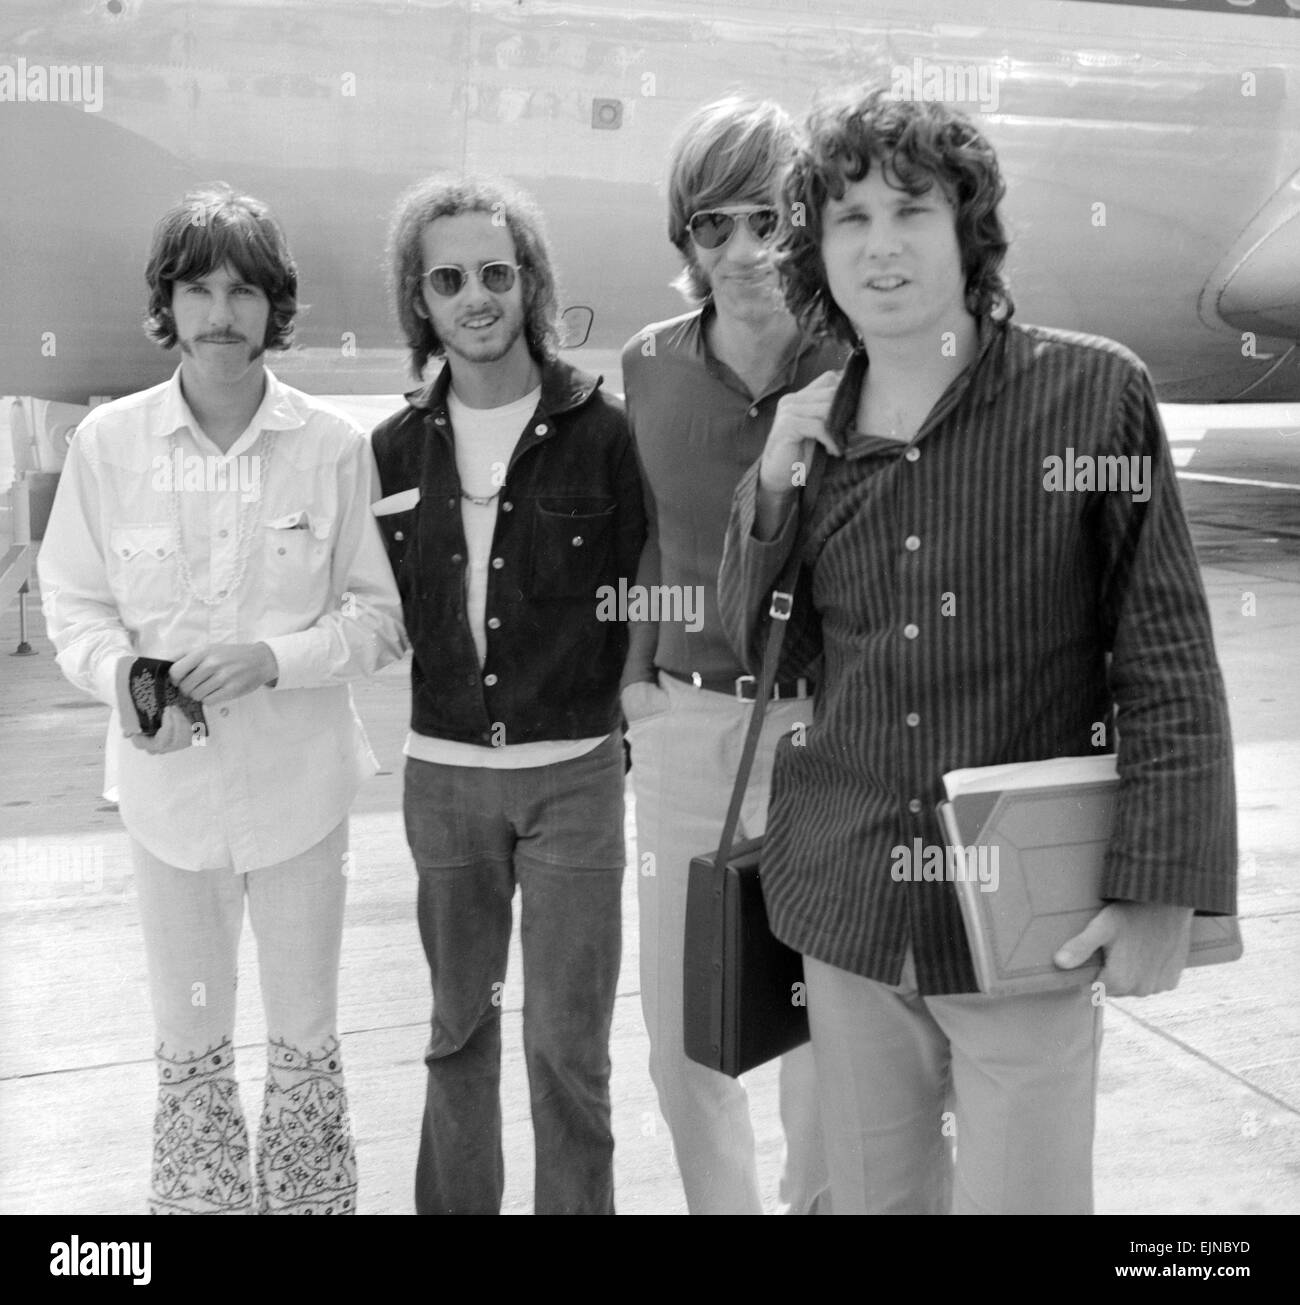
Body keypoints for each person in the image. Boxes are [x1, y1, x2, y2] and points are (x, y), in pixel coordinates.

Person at [718, 87, 1237, 1215]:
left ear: (970, 230)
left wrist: (1163, 891)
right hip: (846, 901)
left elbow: (1166, 660)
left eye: (912, 210)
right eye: (849, 219)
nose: (881, 245)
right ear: (819, 247)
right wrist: (767, 489)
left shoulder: (1091, 396)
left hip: (1021, 914)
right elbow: (758, 645)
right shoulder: (813, 427)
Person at [38, 183, 406, 1214]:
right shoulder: (109, 447)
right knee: (190, 1042)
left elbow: (380, 620)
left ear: (273, 305)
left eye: (244, 291)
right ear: (169, 303)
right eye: (198, 288)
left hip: (300, 801)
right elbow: (74, 608)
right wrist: (125, 679)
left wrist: (272, 659)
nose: (221, 314)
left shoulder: (334, 448)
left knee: (303, 1038)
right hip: (167, 804)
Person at [371, 174, 645, 1215]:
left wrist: (633, 709)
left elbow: (637, 590)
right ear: (421, 299)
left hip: (574, 777)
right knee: (458, 1036)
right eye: (449, 279)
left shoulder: (601, 433)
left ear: (529, 283)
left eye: (495, 272)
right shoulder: (393, 449)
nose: (474, 297)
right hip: (443, 783)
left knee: (569, 1049)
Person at [620, 96, 842, 1214]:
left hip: (823, 731)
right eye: (713, 226)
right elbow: (641, 537)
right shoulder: (648, 363)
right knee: (684, 1037)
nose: (744, 250)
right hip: (684, 728)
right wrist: (632, 690)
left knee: (821, 1043)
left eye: (769, 218)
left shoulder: (853, 355)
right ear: (685, 241)